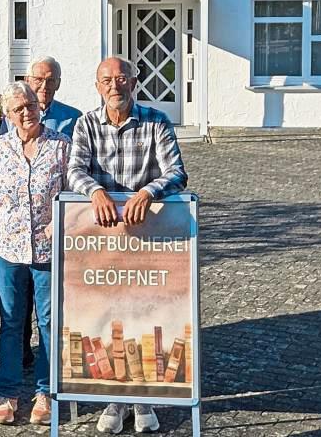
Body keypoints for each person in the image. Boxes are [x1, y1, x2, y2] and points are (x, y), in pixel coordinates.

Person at [67, 57, 188, 435]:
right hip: (101, 242)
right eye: (107, 80)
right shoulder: (86, 123)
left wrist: (147, 192)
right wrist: (96, 191)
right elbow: (74, 170)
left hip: (147, 239)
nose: (115, 86)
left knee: (145, 314)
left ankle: (143, 398)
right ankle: (114, 400)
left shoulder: (156, 121)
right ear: (97, 85)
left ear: (135, 81)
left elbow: (177, 173)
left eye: (122, 79)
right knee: (107, 316)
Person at [0, 81, 70, 425]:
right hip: (8, 249)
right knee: (12, 322)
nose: (27, 112)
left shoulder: (61, 146)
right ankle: (9, 392)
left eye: (30, 105)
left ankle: (45, 392)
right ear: (8, 115)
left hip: (48, 251)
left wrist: (59, 223)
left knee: (48, 322)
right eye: (19, 109)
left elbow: (76, 195)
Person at [2, 56, 82, 368]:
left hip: (51, 232)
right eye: (39, 79)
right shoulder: (7, 121)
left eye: (51, 80)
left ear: (58, 84)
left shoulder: (71, 120)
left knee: (49, 311)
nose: (44, 86)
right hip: (13, 236)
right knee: (14, 310)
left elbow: (76, 174)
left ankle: (48, 374)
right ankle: (19, 358)